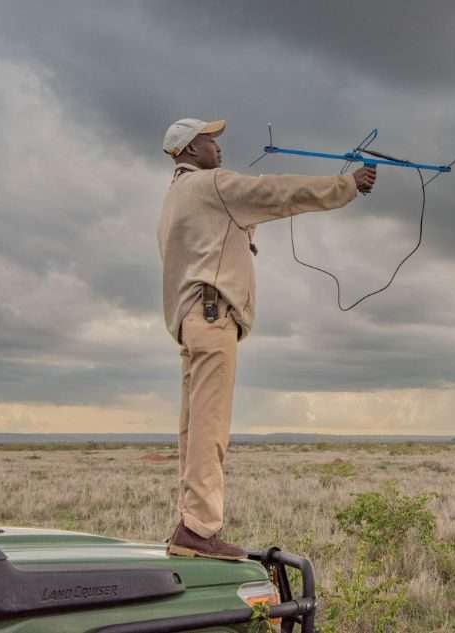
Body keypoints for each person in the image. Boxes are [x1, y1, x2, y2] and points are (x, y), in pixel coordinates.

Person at [157, 118, 376, 559]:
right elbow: (275, 191)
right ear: (190, 148)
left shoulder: (174, 198)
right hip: (213, 315)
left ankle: (191, 523)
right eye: (210, 141)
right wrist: (346, 186)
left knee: (193, 427)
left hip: (189, 321)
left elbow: (213, 239)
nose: (218, 148)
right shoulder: (211, 184)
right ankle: (199, 529)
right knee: (210, 427)